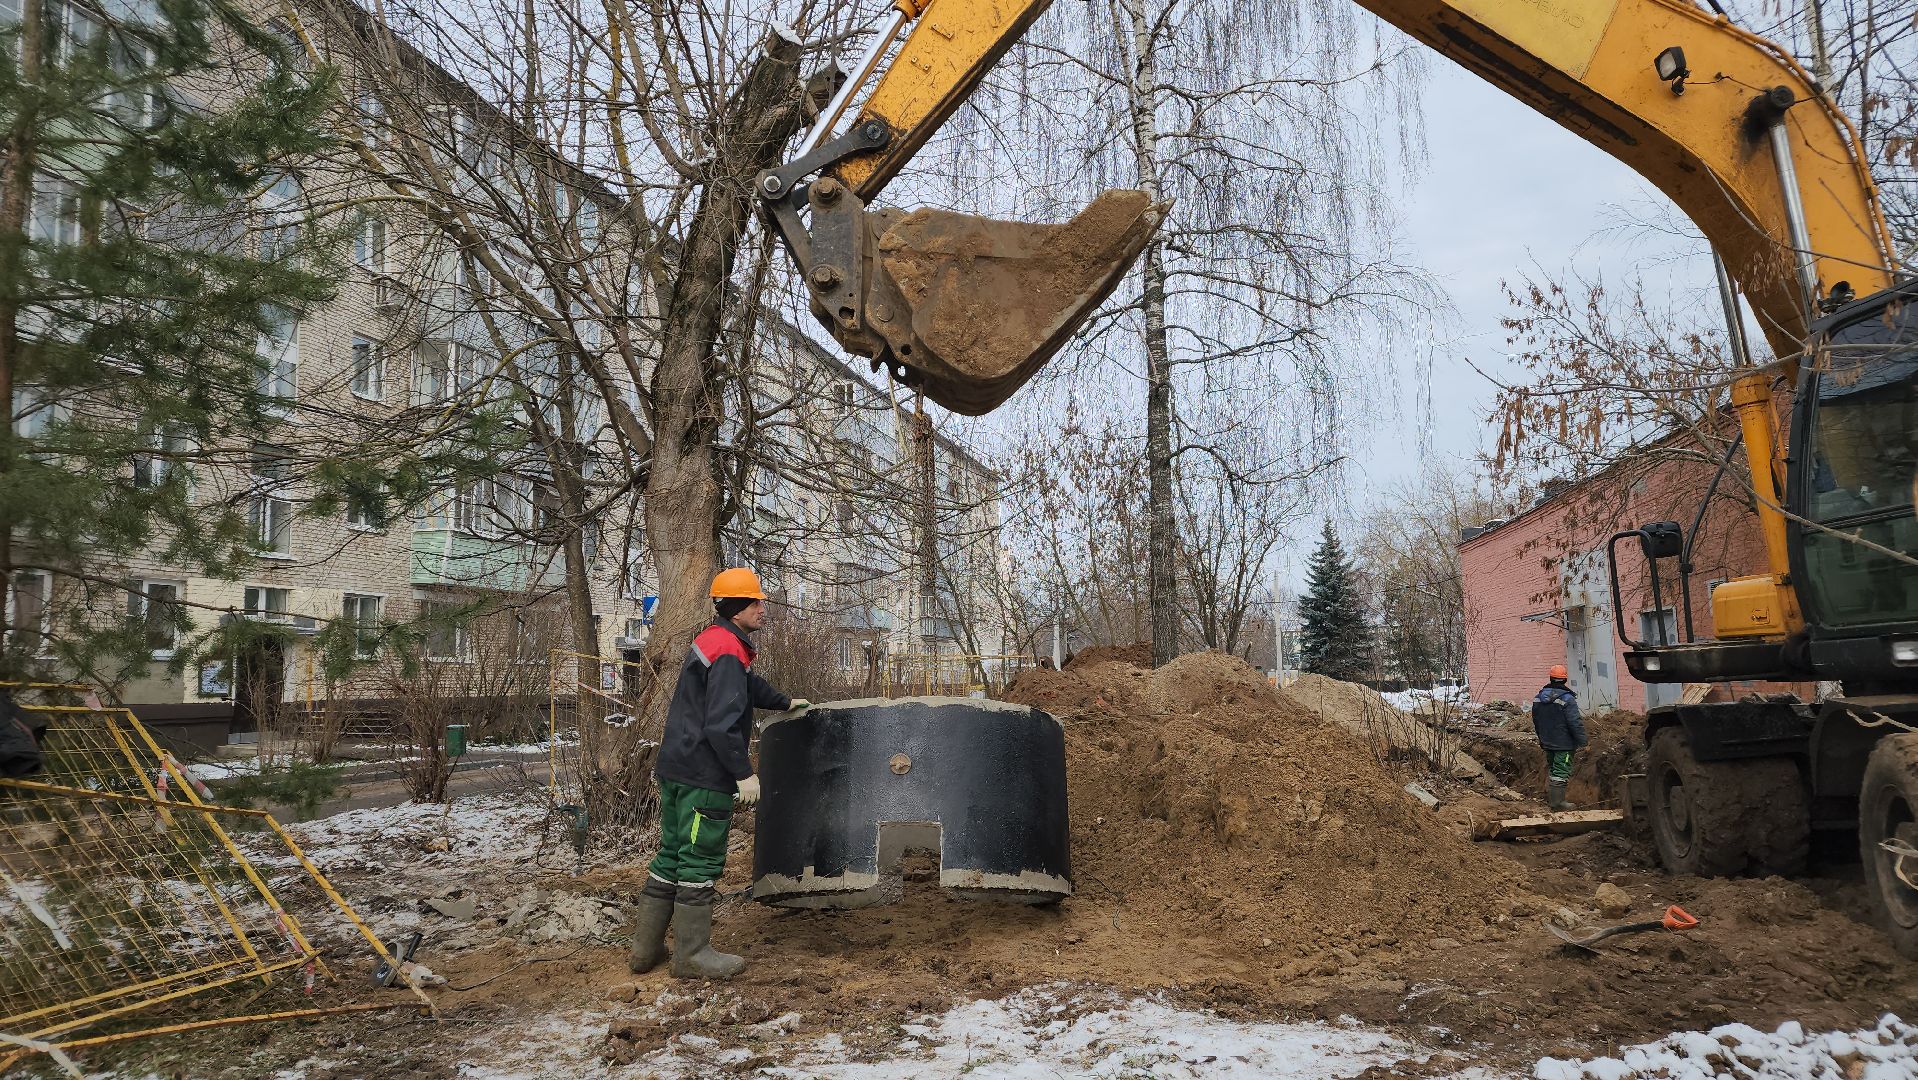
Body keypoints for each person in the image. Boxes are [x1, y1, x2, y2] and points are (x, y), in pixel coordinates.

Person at [628, 568, 810, 980]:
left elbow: (744, 687)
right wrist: (744, 774)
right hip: (703, 776)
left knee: (672, 853)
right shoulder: (729, 650)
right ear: (735, 607)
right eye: (755, 602)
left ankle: (645, 950)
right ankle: (691, 955)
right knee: (699, 860)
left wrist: (783, 701)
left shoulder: (715, 641)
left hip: (676, 767)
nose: (763, 609)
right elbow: (721, 725)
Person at [1532, 664, 1586, 811]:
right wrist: (1583, 741)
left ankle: (1554, 800)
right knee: (1561, 771)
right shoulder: (1567, 699)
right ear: (1564, 680)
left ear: (1550, 678)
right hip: (1564, 744)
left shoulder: (1538, 698)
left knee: (1553, 769)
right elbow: (1575, 723)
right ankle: (1557, 803)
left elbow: (1536, 721)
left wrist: (1541, 738)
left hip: (1547, 742)